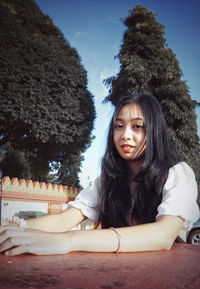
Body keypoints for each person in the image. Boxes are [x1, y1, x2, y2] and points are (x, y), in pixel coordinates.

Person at [0, 94, 199, 256]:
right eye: (118, 126)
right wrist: (16, 227)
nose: (125, 135)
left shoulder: (178, 174)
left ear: (154, 131)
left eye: (137, 126)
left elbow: (163, 235)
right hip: (113, 273)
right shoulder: (107, 181)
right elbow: (64, 221)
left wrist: (69, 240)